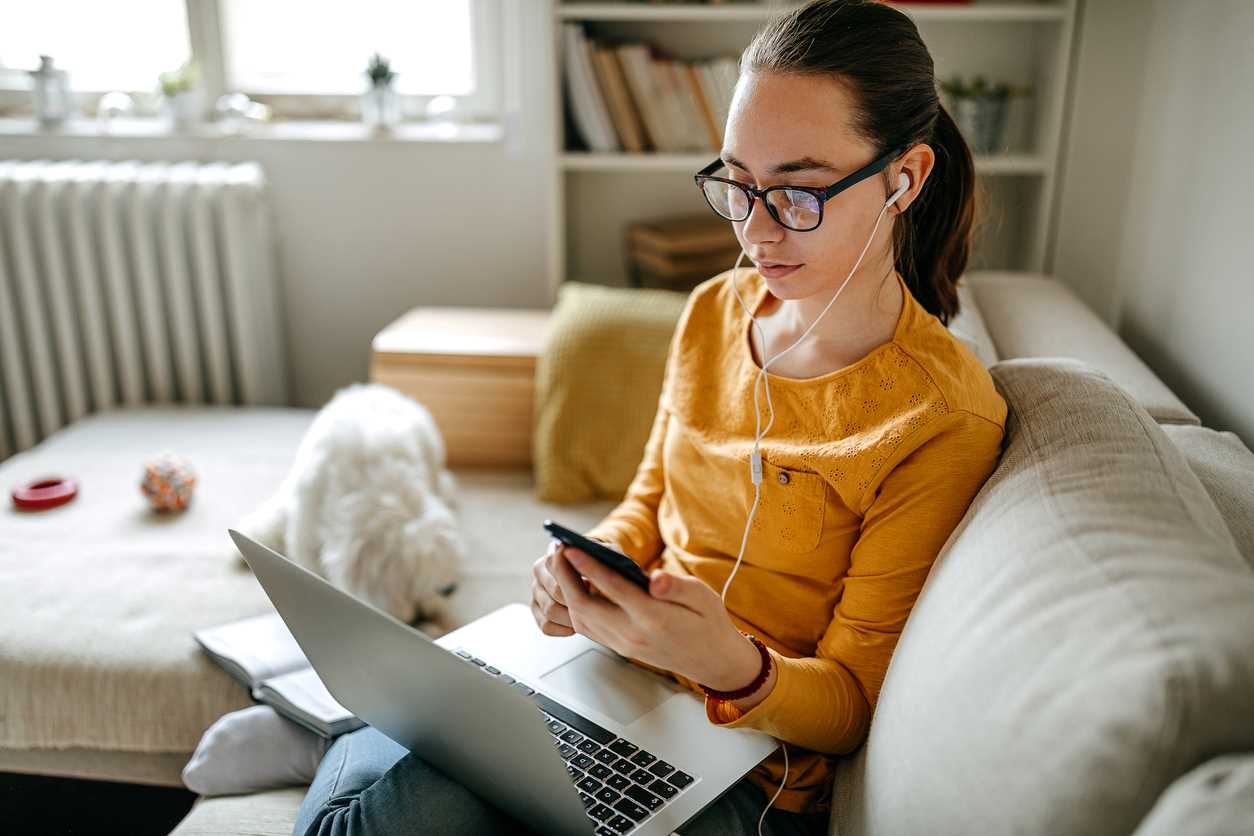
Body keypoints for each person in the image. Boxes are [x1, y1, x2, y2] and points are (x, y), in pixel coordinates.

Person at [292, 1, 1007, 834]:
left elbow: (849, 706)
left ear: (905, 177)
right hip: (607, 677)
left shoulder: (939, 416)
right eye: (738, 183)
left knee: (381, 813)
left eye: (799, 193)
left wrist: (731, 666)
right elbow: (649, 502)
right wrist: (583, 570)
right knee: (392, 778)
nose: (755, 230)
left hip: (749, 765)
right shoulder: (713, 312)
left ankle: (317, 742)